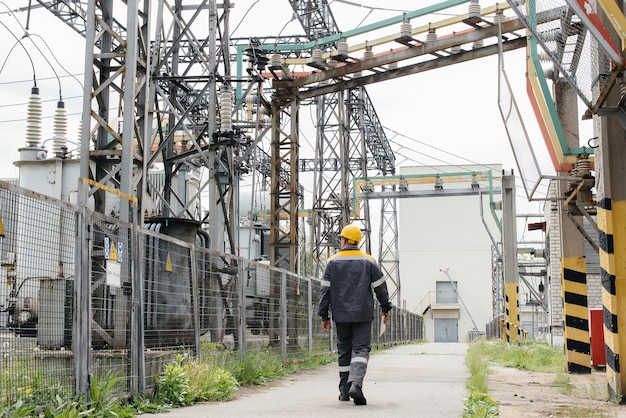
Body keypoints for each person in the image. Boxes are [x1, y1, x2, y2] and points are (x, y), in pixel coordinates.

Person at [318, 224, 392, 405]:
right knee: (360, 349)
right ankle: (356, 384)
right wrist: (386, 307)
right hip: (363, 314)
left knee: (344, 350)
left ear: (343, 240)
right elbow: (380, 288)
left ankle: (344, 391)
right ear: (358, 241)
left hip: (341, 315)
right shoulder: (369, 261)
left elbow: (324, 291)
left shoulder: (332, 262)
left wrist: (324, 316)